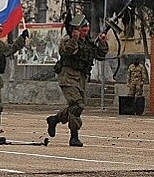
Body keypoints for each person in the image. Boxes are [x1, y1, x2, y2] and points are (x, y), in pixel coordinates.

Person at [46, 14, 108, 147]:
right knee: (77, 105)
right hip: (68, 76)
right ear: (75, 30)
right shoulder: (67, 40)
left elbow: (100, 55)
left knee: (76, 106)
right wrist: (74, 39)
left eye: (86, 29)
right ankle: (74, 136)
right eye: (82, 29)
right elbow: (67, 51)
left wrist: (102, 43)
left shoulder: (88, 43)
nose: (85, 31)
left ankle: (55, 119)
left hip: (81, 78)